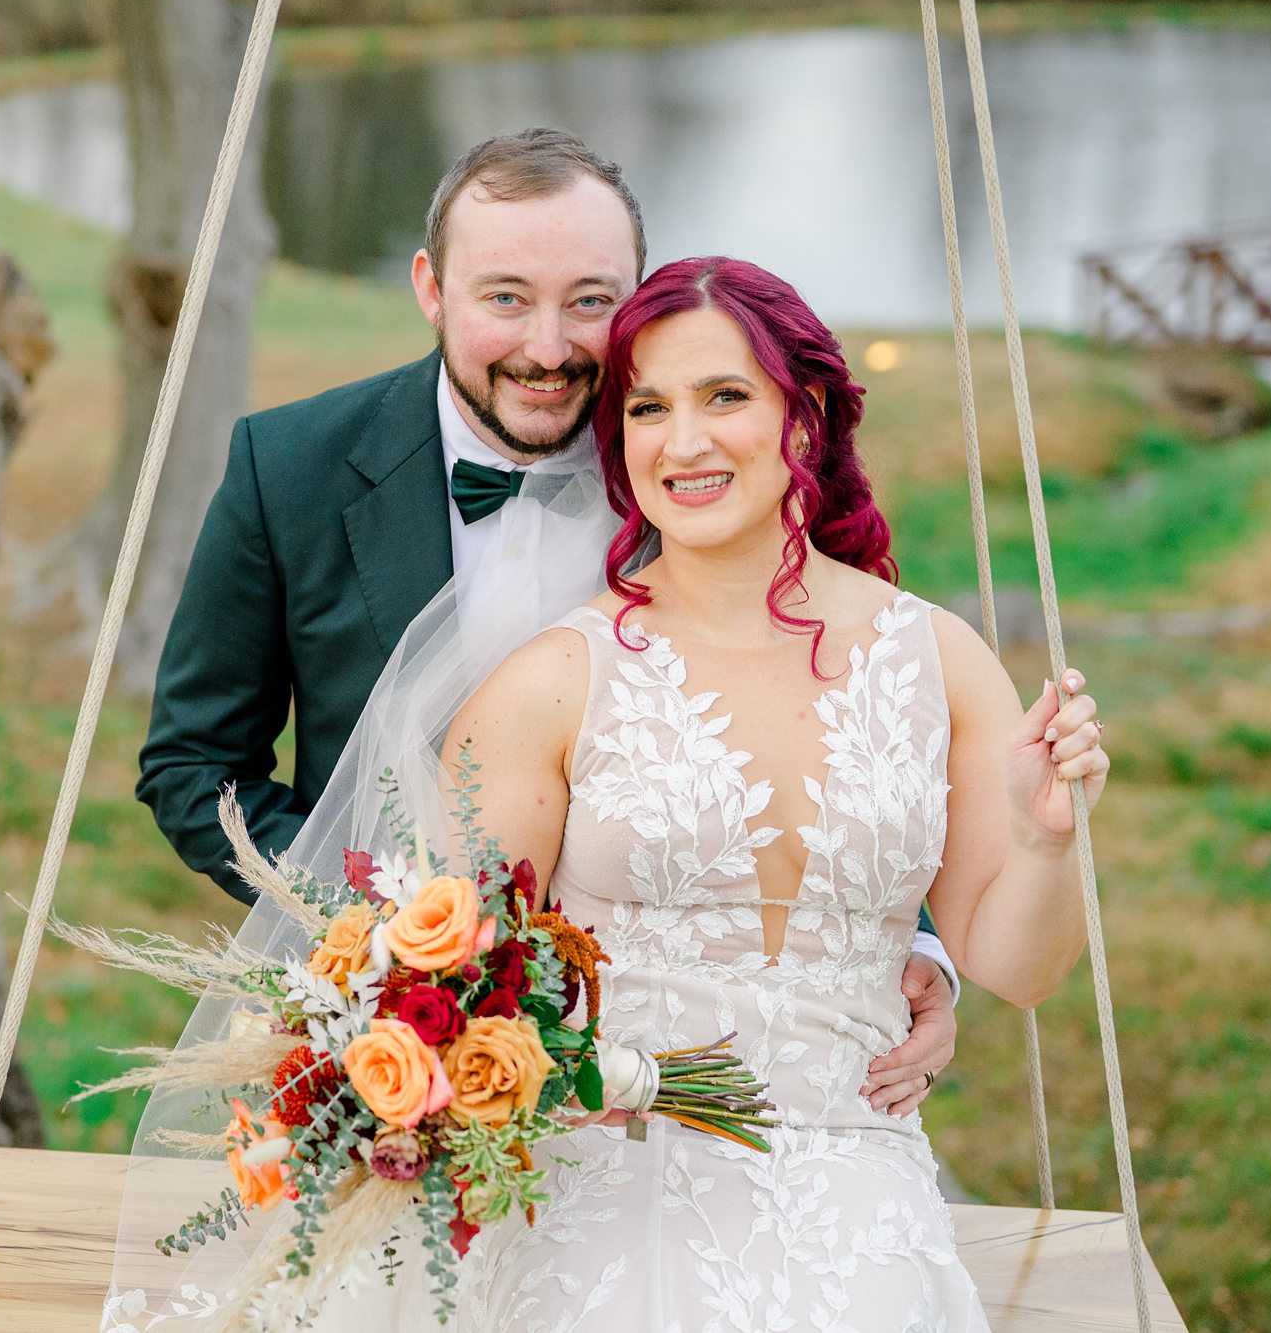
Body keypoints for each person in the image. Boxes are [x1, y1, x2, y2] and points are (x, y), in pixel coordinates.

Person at [137, 129, 955, 1118]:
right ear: (432, 288)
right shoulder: (290, 465)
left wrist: (912, 942)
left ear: (638, 296)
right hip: (420, 1043)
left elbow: (841, 712)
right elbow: (193, 767)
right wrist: (401, 936)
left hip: (698, 1040)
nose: (549, 347)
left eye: (591, 301)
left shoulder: (709, 469)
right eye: (506, 297)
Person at [438, 256, 1110, 1330]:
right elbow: (453, 984)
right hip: (602, 1169)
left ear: (805, 420)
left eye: (725, 397)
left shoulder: (937, 659)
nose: (684, 441)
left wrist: (1042, 843)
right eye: (647, 407)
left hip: (854, 1169)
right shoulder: (557, 679)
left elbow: (1018, 971)